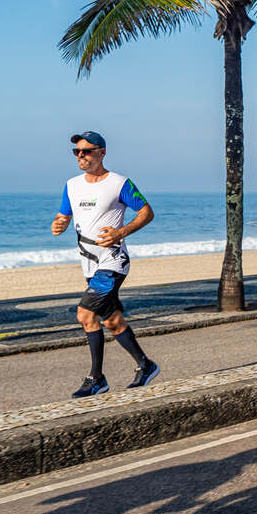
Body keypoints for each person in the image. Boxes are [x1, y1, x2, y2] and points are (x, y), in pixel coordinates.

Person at [52, 132, 160, 398]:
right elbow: (64, 215)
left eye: (86, 151)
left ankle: (96, 378)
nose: (81, 156)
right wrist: (59, 223)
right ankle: (146, 365)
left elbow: (147, 211)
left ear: (102, 152)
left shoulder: (119, 183)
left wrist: (121, 232)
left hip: (112, 261)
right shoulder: (71, 185)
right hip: (88, 264)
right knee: (111, 320)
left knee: (85, 315)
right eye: (76, 152)